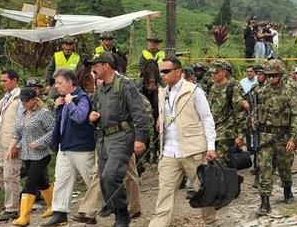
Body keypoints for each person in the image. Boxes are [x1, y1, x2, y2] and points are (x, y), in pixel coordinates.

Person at [149, 58, 218, 227]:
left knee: (203, 191)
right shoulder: (163, 92)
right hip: (168, 152)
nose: (162, 75)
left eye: (166, 71)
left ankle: (212, 222)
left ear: (178, 72)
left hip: (192, 151)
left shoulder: (194, 91)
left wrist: (211, 146)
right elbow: (168, 113)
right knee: (164, 194)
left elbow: (207, 119)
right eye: (161, 71)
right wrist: (161, 120)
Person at [86, 52, 152, 227]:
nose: (93, 69)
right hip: (103, 139)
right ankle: (116, 209)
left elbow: (140, 114)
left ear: (106, 66)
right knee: (102, 178)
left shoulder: (125, 85)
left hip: (121, 138)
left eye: (96, 65)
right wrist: (93, 117)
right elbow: (97, 111)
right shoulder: (100, 89)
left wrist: (140, 138)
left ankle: (123, 215)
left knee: (110, 176)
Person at [42, 69, 96, 226]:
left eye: (60, 83)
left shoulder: (81, 97)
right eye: (56, 83)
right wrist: (59, 107)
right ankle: (59, 212)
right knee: (61, 180)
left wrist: (69, 103)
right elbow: (59, 124)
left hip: (81, 147)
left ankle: (104, 208)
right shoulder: (64, 99)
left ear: (70, 83)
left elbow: (80, 117)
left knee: (91, 180)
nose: (56, 87)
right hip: (65, 146)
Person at [249, 59, 297, 215]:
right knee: (264, 167)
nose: (271, 79)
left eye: (274, 76)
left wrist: (293, 138)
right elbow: (255, 110)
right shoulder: (261, 92)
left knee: (284, 166)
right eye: (269, 76)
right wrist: (253, 119)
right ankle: (265, 201)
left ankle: (287, 189)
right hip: (265, 136)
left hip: (283, 136)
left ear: (281, 75)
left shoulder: (290, 91)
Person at [8, 88, 56, 226]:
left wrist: (40, 142)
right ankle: (53, 206)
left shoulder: (43, 113)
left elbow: (54, 130)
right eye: (22, 101)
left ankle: (24, 217)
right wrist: (12, 147)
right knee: (41, 182)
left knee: (30, 184)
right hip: (27, 155)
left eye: (26, 101)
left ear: (34, 100)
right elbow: (17, 133)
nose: (23, 103)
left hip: (41, 155)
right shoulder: (23, 114)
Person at [0, 70, 24, 221]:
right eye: (1, 81)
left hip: (12, 142)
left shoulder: (21, 97)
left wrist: (17, 145)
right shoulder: (5, 98)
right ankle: (21, 194)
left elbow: (23, 122)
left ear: (14, 80)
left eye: (4, 81)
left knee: (10, 175)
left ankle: (12, 208)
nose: (1, 84)